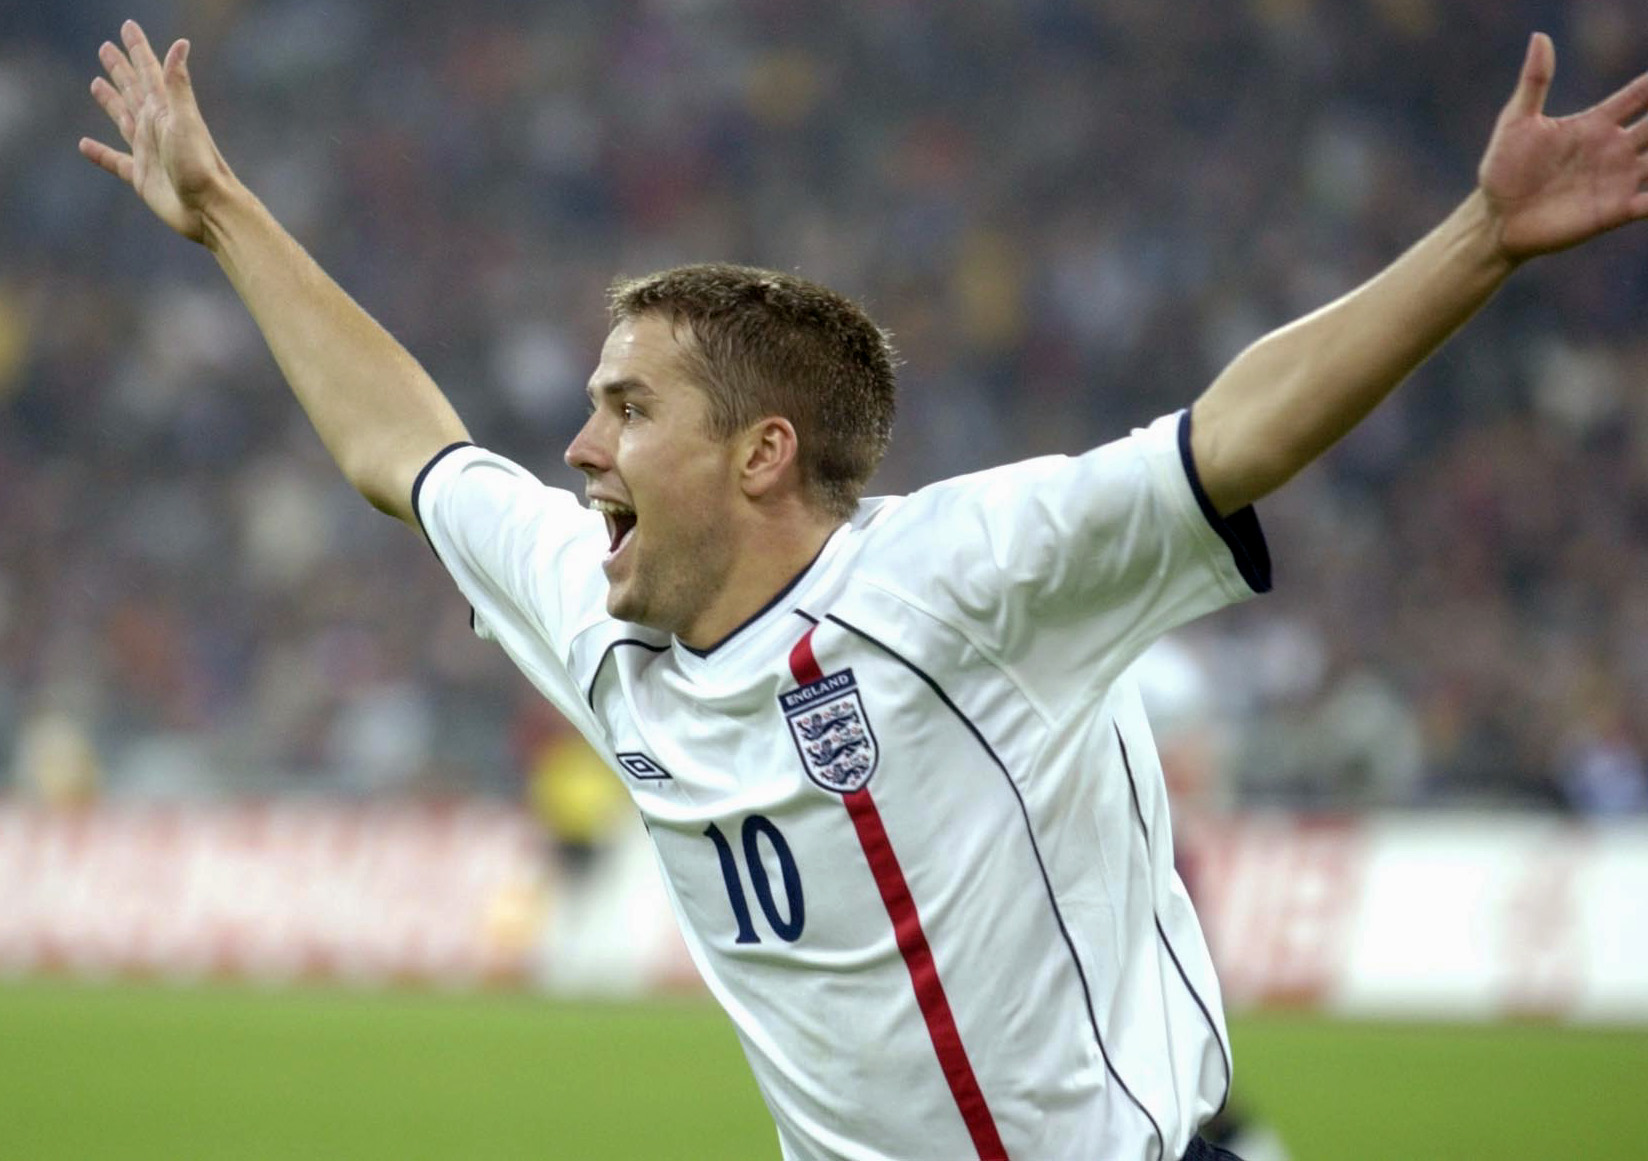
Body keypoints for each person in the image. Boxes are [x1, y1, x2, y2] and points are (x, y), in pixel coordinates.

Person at [80, 19, 1648, 1161]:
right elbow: (403, 448)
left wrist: (1481, 243)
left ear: (763, 452)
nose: (576, 448)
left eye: (628, 409)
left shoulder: (969, 581)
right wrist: (218, 207)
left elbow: (1226, 436)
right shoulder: (595, 609)